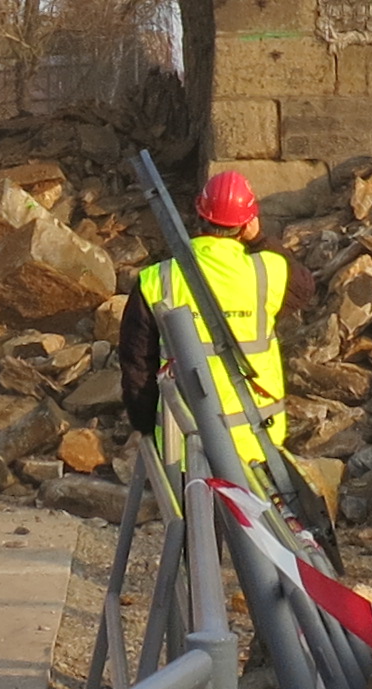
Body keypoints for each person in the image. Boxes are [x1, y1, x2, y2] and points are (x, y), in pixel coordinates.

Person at [119, 167, 292, 483]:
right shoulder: (269, 271)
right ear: (247, 223)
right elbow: (304, 288)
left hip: (187, 447)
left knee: (194, 515)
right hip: (259, 443)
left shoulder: (158, 279)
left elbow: (137, 366)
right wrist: (258, 239)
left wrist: (146, 427)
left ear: (199, 216)